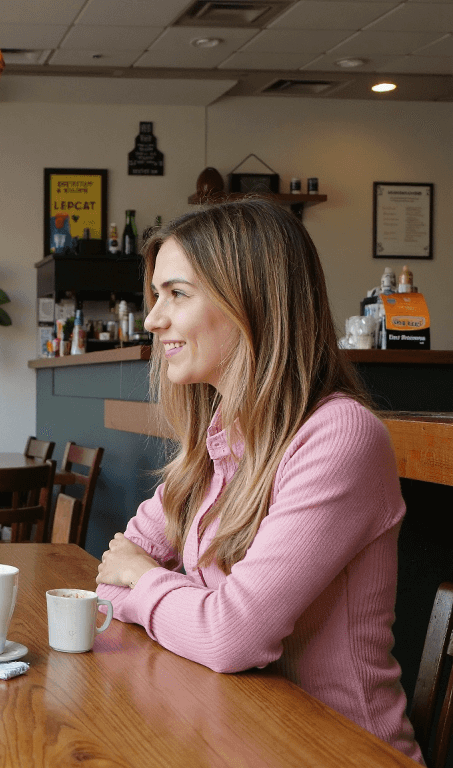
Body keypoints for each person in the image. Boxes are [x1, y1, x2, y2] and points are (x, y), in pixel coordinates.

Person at [94, 198, 423, 762]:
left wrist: (150, 581)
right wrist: (187, 606)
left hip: (341, 752)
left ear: (251, 301)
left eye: (176, 293)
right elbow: (109, 581)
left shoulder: (339, 437)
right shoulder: (217, 439)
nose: (152, 319)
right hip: (235, 737)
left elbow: (229, 636)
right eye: (156, 296)